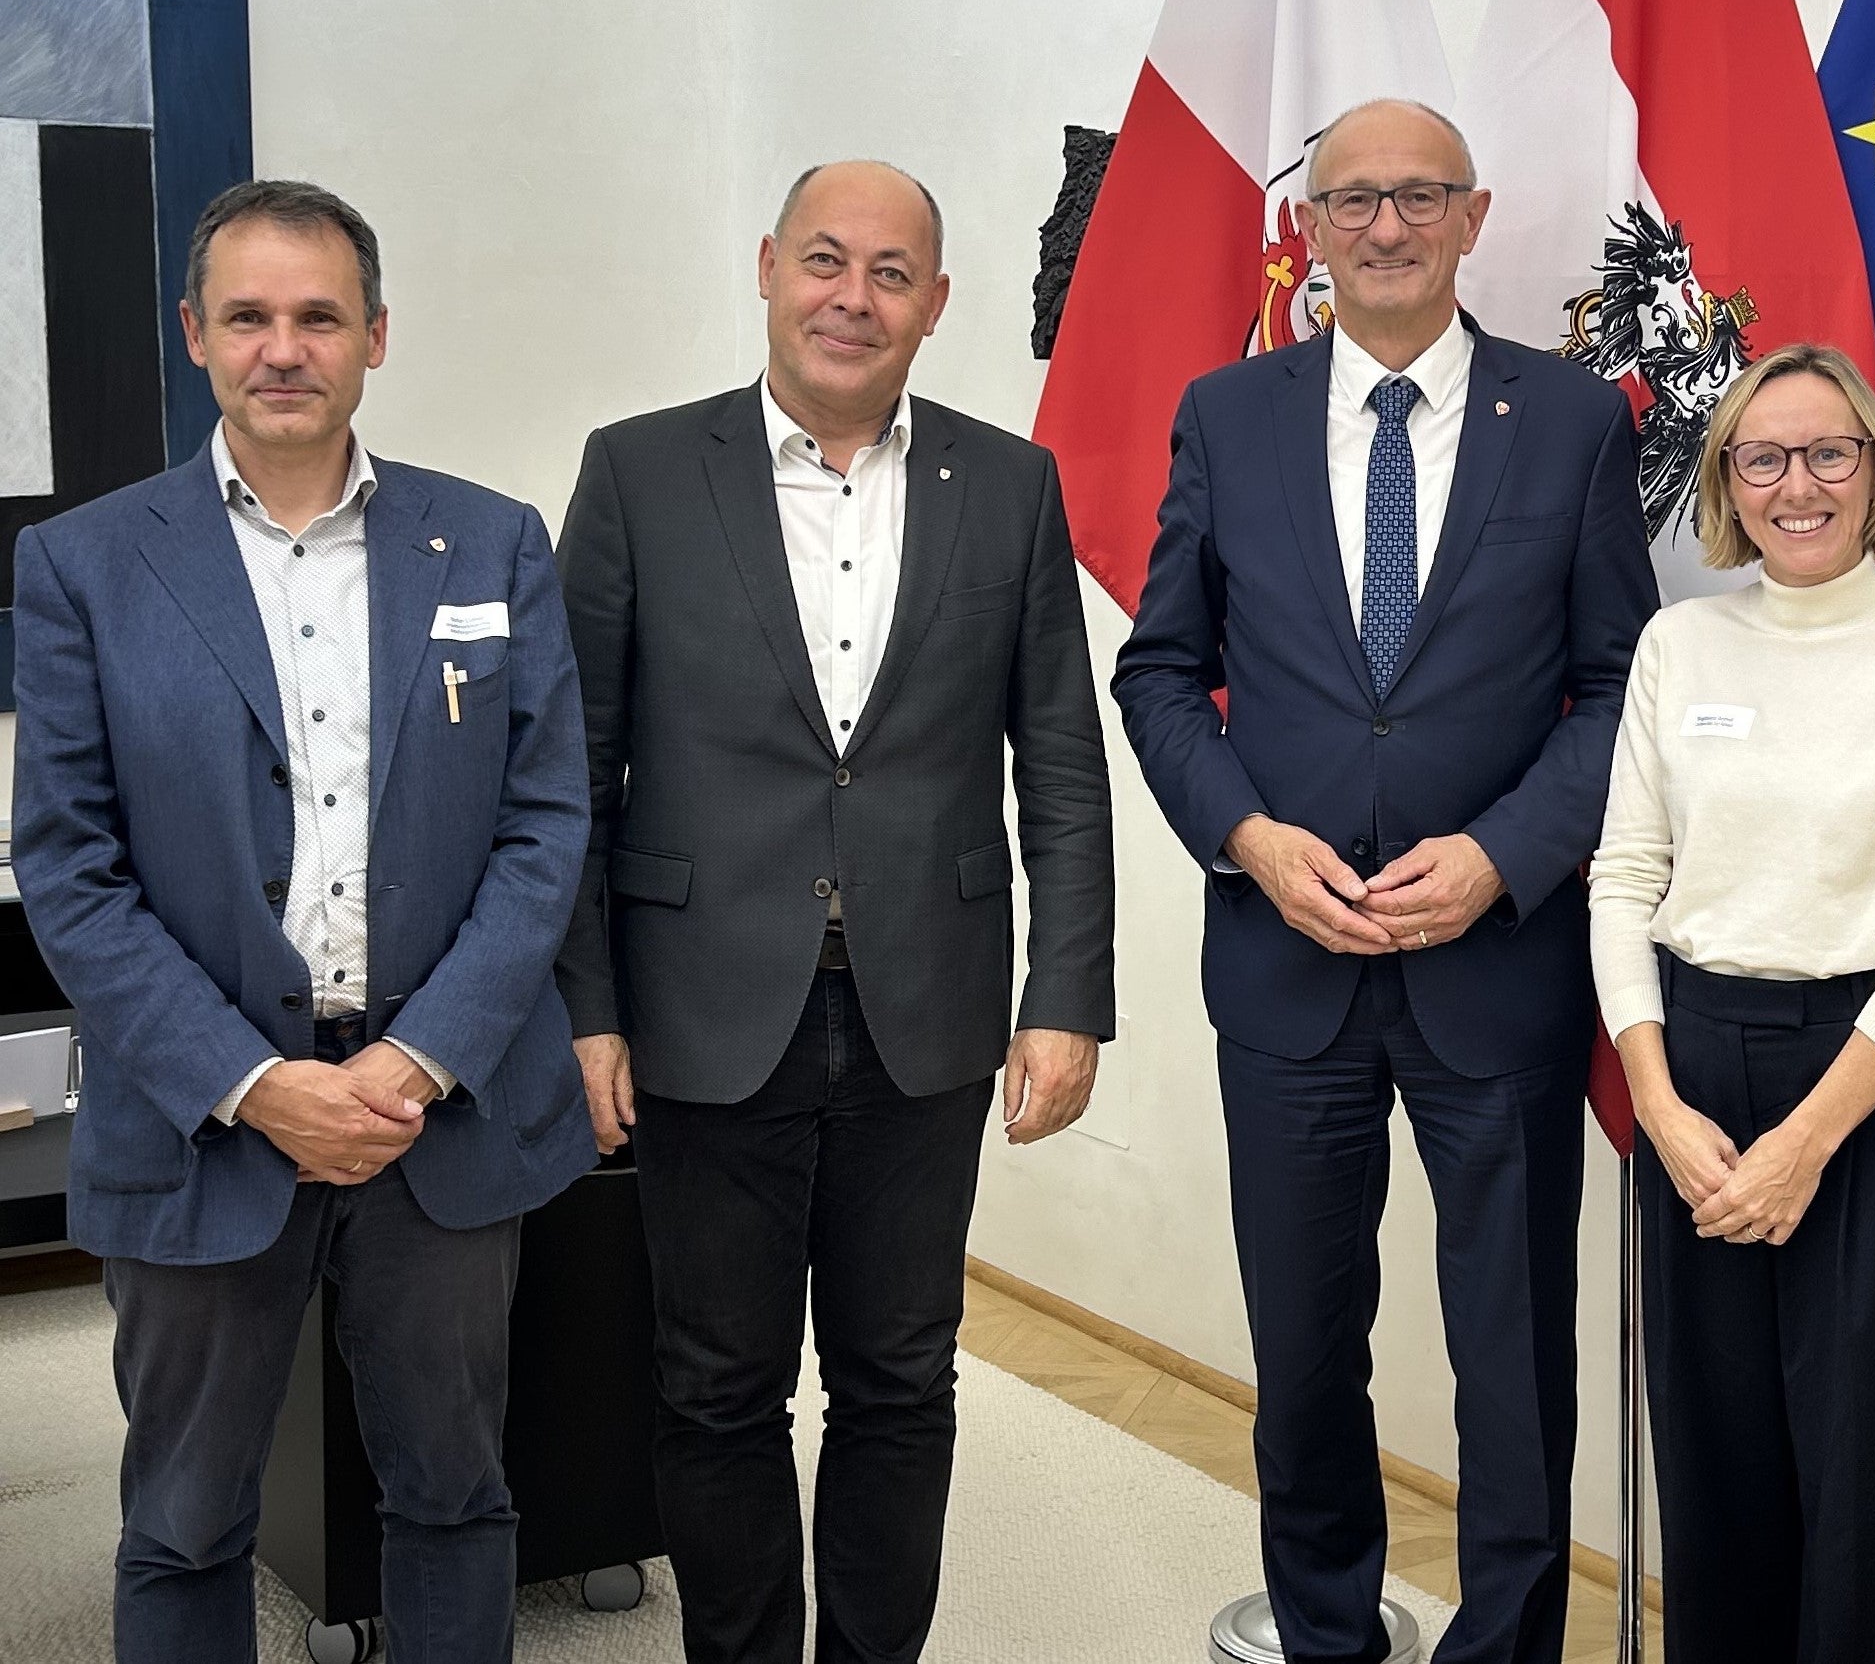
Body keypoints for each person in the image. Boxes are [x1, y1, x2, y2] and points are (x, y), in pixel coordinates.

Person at [11, 179, 594, 1663]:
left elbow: (544, 830)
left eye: (319, 315)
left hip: (438, 1119)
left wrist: (408, 1067)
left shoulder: (492, 541)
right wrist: (261, 1086)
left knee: (455, 1496)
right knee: (187, 1519)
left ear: (376, 338)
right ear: (195, 334)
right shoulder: (84, 566)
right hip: (201, 1115)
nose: (286, 347)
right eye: (252, 316)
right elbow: (71, 866)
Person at [1112, 97, 1658, 1664]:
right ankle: (1328, 1634)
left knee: (1510, 1356)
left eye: (1421, 196)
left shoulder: (1570, 421)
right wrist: (1245, 837)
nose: (1387, 227)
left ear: (1475, 218)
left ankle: (1507, 1644)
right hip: (1284, 971)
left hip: (1497, 972)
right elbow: (1159, 673)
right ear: (1308, 229)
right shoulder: (1229, 413)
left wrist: (1503, 856)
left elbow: (1620, 684)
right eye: (1351, 201)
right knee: (1301, 1349)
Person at [552, 159, 1115, 1664]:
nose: (850, 297)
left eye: (887, 272)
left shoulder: (1010, 483)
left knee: (897, 1381)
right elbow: (567, 776)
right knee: (715, 1387)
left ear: (935, 304)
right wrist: (584, 1006)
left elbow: (1058, 758)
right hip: (696, 1002)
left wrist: (1067, 992)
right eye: (823, 260)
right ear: (765, 268)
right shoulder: (637, 471)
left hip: (925, 1012)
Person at [1589, 343, 1875, 1661]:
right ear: (1725, 478)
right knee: (1716, 1478)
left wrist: (1806, 1143)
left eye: (1829, 451)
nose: (1797, 483)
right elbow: (1620, 879)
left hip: (1871, 1086)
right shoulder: (1679, 639)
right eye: (1761, 456)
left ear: (1872, 469)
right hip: (1693, 1079)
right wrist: (1654, 1099)